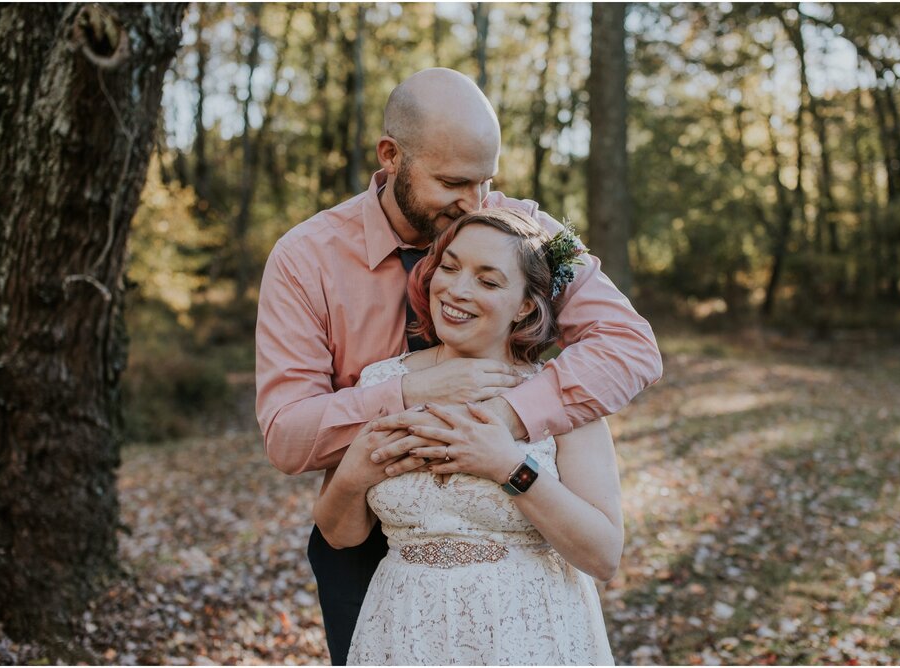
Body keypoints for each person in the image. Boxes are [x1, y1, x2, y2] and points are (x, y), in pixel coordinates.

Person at [255, 68, 661, 664]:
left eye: (486, 181)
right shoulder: (303, 258)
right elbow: (286, 437)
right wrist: (411, 392)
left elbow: (630, 345)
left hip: (522, 547)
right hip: (372, 526)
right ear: (391, 157)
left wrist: (507, 416)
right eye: (453, 182)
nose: (475, 202)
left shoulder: (532, 234)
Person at [314, 208, 622, 665]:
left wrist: (509, 468)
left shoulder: (561, 393)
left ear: (524, 304)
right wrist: (353, 475)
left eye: (488, 280)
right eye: (450, 267)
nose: (456, 290)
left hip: (527, 632)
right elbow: (340, 535)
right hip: (405, 630)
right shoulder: (382, 383)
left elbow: (603, 556)